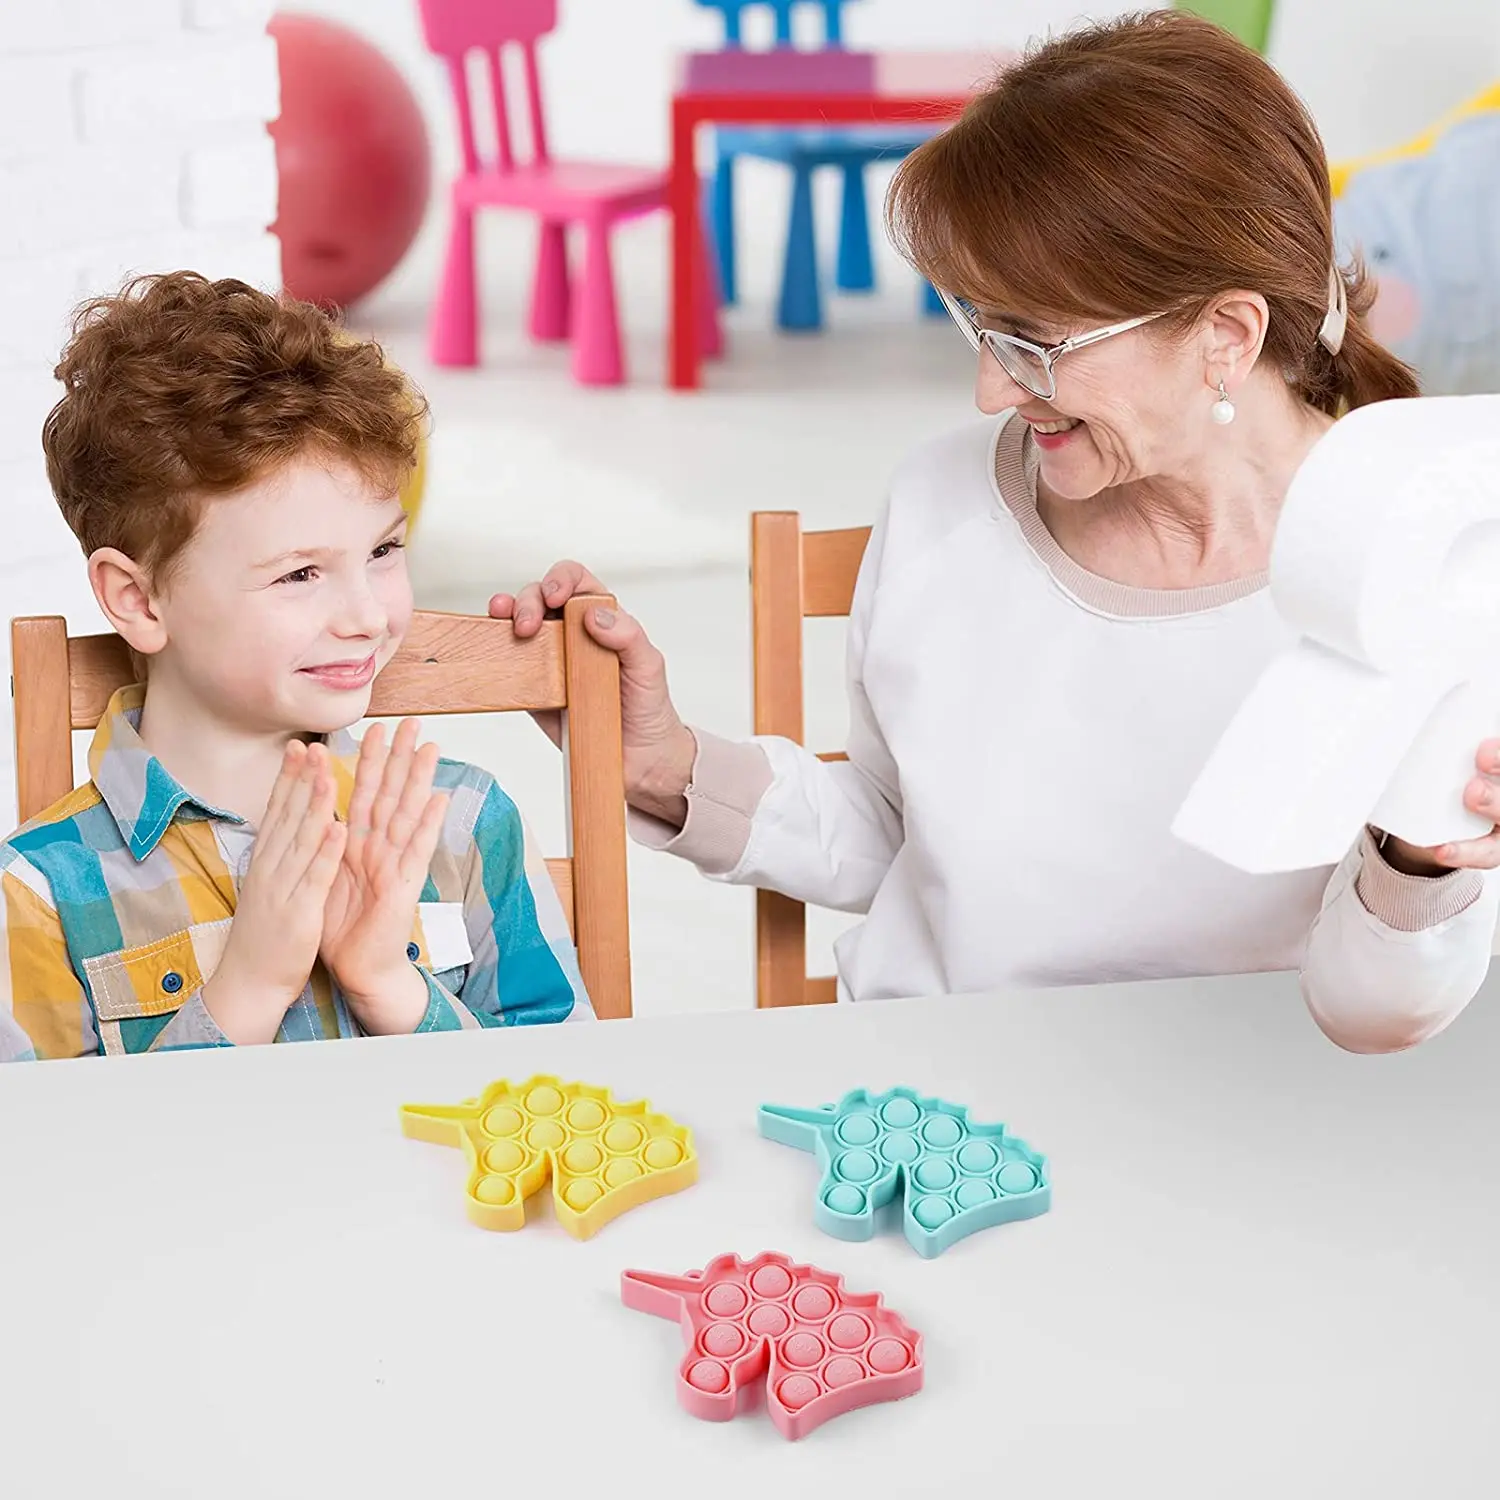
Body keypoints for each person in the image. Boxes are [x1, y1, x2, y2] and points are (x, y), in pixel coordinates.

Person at [493, 11, 1499, 1054]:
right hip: (943, 1093)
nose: (989, 390)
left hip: (1249, 1102)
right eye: (979, 325)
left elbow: (1373, 1020)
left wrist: (1417, 861)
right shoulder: (943, 503)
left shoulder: (1433, 566)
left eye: (1033, 341)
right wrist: (665, 764)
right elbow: (902, 834)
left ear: (1226, 335)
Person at [0, 272, 589, 1063]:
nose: (367, 616)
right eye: (299, 574)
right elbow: (47, 1143)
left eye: (383, 549)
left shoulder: (463, 823)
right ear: (138, 599)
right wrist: (245, 991)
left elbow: (566, 1090)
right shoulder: (38, 892)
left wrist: (393, 988)